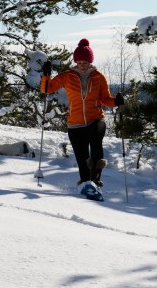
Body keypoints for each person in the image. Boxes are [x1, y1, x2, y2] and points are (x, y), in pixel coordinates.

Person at [41, 38, 124, 187]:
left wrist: (116, 101)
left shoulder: (99, 77)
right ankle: (86, 183)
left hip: (96, 118)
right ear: (76, 62)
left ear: (90, 62)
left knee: (96, 139)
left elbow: (105, 99)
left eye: (85, 63)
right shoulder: (67, 76)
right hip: (75, 123)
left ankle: (96, 178)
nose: (82, 66)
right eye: (79, 63)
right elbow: (47, 88)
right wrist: (46, 75)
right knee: (81, 157)